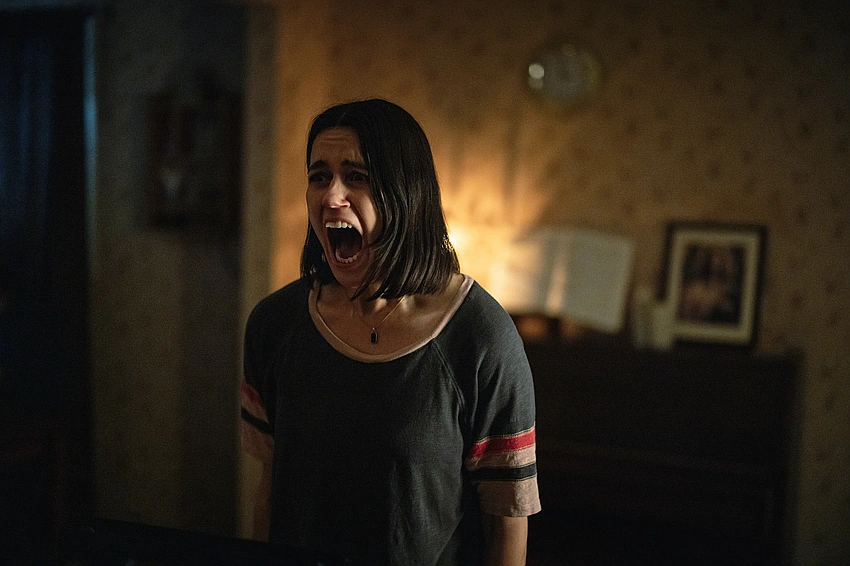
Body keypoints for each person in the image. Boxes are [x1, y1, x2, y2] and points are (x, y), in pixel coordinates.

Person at [240, 99, 540, 565]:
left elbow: (506, 528)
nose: (331, 197)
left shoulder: (480, 337)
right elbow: (270, 490)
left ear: (405, 193)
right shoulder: (274, 325)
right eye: (319, 176)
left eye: (356, 177)